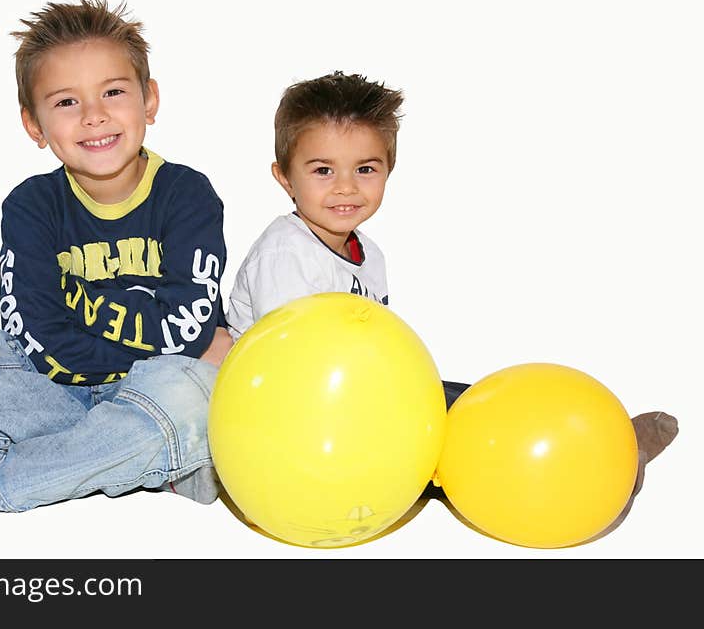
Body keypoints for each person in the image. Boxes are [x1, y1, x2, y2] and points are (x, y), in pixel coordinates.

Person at [224, 70, 678, 526]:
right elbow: (293, 369)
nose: (346, 186)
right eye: (323, 170)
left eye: (365, 169)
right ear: (284, 178)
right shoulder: (286, 252)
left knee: (470, 403)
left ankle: (604, 448)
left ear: (388, 171)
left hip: (354, 399)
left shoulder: (371, 255)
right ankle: (586, 471)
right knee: (448, 424)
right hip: (293, 422)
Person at [0, 0, 233, 512]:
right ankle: (150, 466)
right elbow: (34, 331)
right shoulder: (31, 206)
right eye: (66, 102)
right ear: (34, 124)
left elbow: (187, 323)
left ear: (149, 100)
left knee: (189, 395)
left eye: (113, 91)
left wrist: (175, 353)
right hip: (59, 389)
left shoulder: (186, 194)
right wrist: (165, 353)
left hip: (161, 388)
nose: (94, 115)